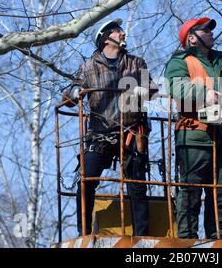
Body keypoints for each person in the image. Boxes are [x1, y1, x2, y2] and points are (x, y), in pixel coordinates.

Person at [62, 18, 157, 236]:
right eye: (118, 31)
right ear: (106, 39)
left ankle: (142, 236)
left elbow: (151, 88)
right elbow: (70, 92)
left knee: (136, 184)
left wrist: (143, 90)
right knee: (86, 182)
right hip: (100, 134)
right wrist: (75, 94)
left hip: (132, 131)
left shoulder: (136, 63)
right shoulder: (88, 68)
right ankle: (84, 233)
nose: (123, 34)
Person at [164, 17, 222, 239]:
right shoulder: (179, 62)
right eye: (205, 30)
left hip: (220, 138)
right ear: (192, 38)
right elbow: (177, 88)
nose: (211, 33)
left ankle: (218, 239)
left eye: (210, 30)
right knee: (190, 191)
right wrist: (205, 94)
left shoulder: (221, 66)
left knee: (220, 193)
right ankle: (186, 240)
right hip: (194, 137)